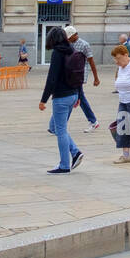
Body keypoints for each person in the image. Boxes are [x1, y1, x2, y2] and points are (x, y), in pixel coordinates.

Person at [39, 25, 83, 174]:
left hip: (61, 97)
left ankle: (65, 165)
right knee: (56, 127)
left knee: (61, 130)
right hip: (72, 94)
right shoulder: (72, 51)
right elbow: (78, 75)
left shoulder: (58, 53)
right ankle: (75, 152)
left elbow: (52, 78)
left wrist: (43, 100)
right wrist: (79, 95)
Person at [65, 26, 101, 132]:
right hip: (71, 75)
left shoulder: (84, 45)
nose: (67, 39)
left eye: (69, 37)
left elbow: (91, 61)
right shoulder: (69, 44)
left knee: (77, 98)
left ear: (73, 35)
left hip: (79, 75)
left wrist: (96, 78)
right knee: (76, 98)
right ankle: (93, 121)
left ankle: (93, 121)